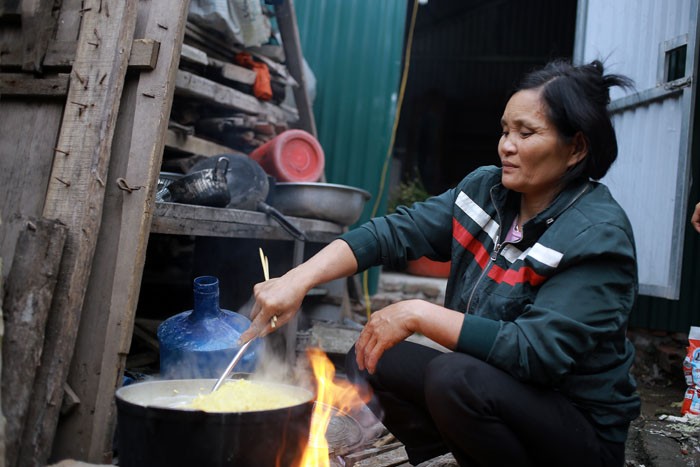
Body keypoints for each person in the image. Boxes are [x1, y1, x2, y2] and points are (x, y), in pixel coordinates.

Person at [240, 59, 640, 467]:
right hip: (500, 390)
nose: (507, 145)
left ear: (575, 148)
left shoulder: (597, 235)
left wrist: (418, 313)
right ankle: (469, 452)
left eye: (527, 132)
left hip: (577, 431)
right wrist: (298, 278)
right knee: (372, 353)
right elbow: (393, 233)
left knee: (454, 380)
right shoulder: (487, 191)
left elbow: (534, 352)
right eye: (505, 130)